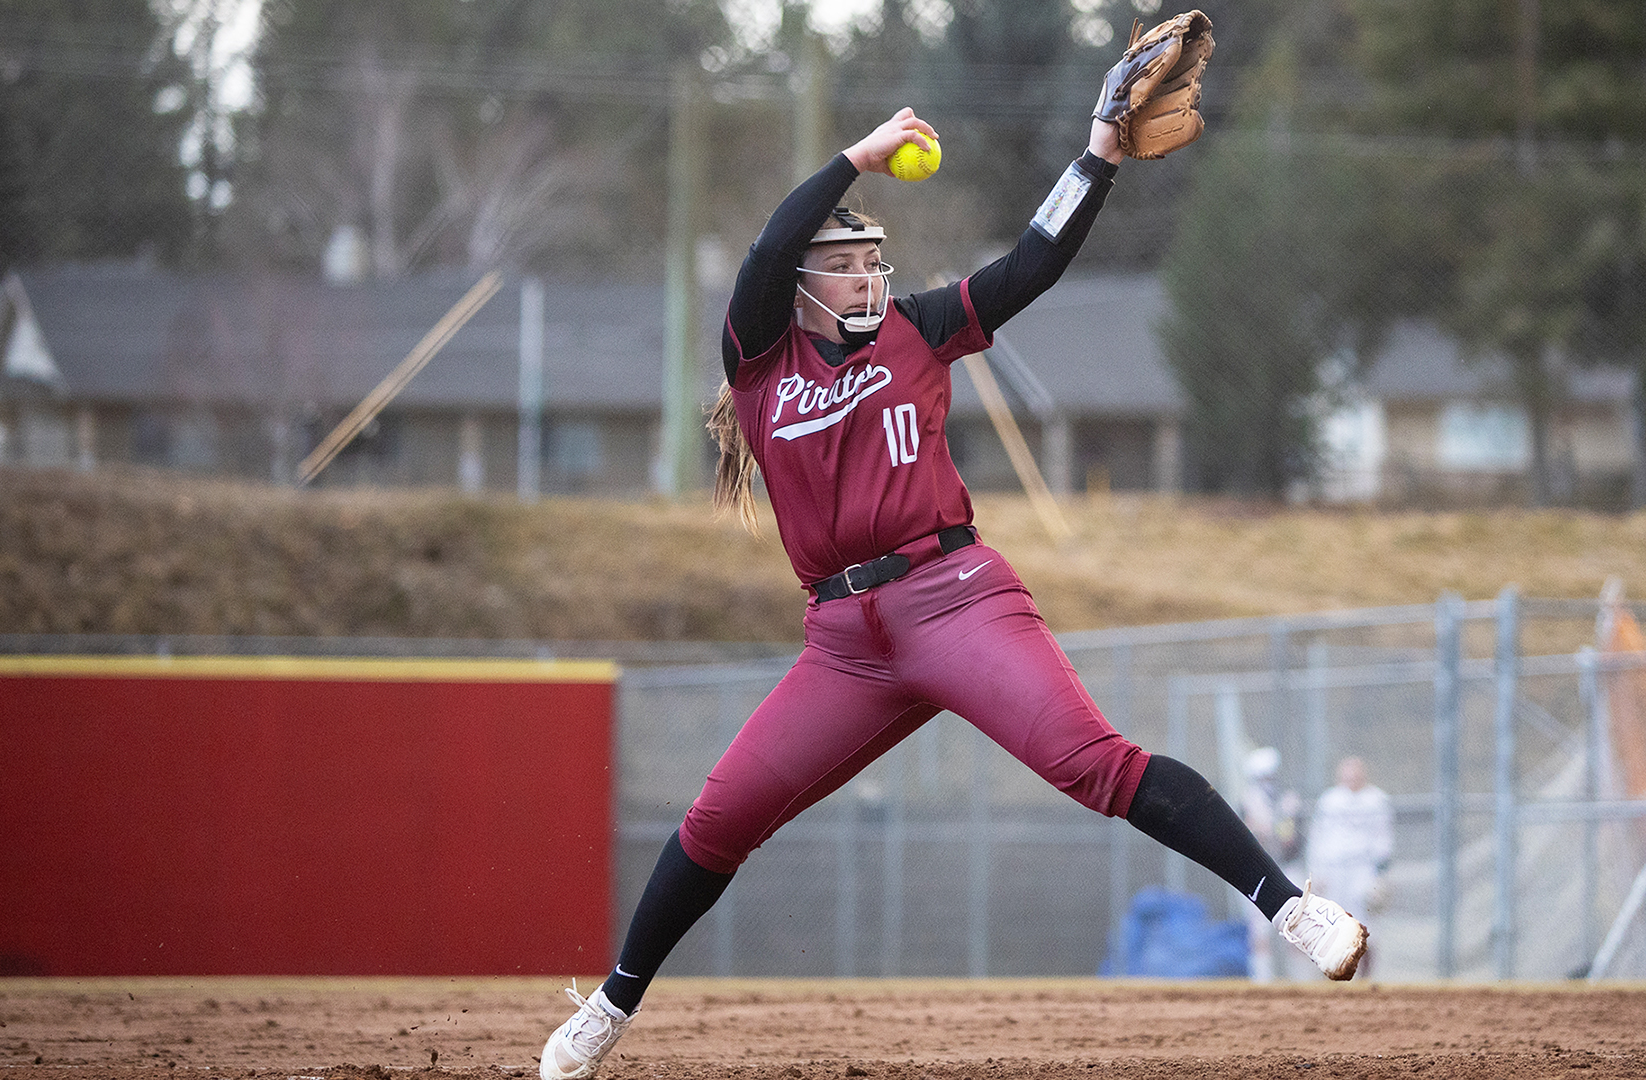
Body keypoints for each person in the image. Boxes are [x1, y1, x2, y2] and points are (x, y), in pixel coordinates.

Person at [537, 93, 1369, 1080]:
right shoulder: (759, 365)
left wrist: (1097, 154)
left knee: (1092, 764)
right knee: (719, 820)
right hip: (842, 641)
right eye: (841, 263)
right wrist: (861, 154)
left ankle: (1292, 908)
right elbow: (766, 248)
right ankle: (612, 1008)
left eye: (868, 261)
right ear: (798, 290)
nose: (863, 275)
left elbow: (1032, 262)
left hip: (953, 597)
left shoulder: (917, 330)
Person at [1305, 756, 1394, 979]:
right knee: (1333, 921)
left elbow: (1384, 838)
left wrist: (1380, 874)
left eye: (1355, 775)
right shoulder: (1330, 800)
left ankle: (1365, 977)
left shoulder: (1377, 800)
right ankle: (1334, 975)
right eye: (1347, 775)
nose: (1351, 779)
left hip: (1363, 867)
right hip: (1335, 868)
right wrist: (1318, 873)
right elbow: (1318, 839)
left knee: (1365, 923)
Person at [1236, 746, 1303, 981]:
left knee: (1296, 926)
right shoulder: (1248, 801)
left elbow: (1295, 837)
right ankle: (1261, 981)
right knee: (1260, 932)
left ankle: (1300, 982)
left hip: (1288, 866)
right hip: (1259, 870)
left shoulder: (1288, 799)